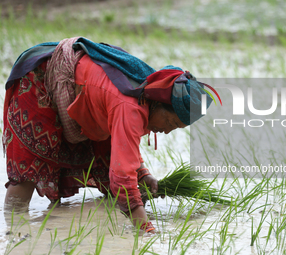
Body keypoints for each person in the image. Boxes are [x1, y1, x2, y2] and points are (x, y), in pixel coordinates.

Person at [3, 37, 212, 233]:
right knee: (28, 172)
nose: (167, 131)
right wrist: (146, 231)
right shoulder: (130, 105)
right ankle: (12, 232)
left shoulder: (144, 94)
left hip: (87, 99)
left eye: (176, 128)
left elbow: (124, 145)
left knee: (106, 161)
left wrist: (142, 173)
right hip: (38, 82)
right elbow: (122, 177)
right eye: (170, 122)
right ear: (157, 103)